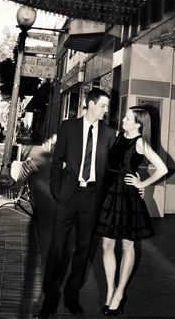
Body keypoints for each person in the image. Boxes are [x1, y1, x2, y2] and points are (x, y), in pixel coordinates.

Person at [35, 88, 116, 319]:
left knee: (83, 249)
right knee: (57, 247)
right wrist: (57, 190)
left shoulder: (109, 134)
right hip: (68, 195)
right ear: (90, 104)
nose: (105, 110)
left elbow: (112, 168)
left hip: (92, 198)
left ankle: (72, 295)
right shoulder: (68, 127)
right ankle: (49, 297)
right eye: (102, 106)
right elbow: (56, 160)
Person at [96, 106, 168, 316]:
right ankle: (110, 290)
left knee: (128, 245)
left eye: (128, 118)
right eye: (125, 117)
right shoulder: (118, 136)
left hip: (127, 196)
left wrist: (141, 183)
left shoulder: (141, 143)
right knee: (107, 244)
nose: (123, 120)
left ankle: (119, 294)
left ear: (138, 124)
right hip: (110, 193)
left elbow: (162, 168)